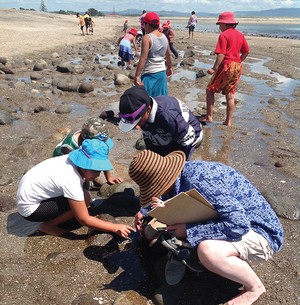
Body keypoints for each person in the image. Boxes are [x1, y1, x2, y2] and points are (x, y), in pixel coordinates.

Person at [129, 149, 284, 305]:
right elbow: (169, 197)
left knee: (208, 252)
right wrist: (145, 212)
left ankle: (254, 288)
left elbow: (239, 225)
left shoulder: (200, 180)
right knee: (151, 230)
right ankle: (202, 256)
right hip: (231, 220)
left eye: (156, 188)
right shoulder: (181, 174)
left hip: (262, 233)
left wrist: (189, 230)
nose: (157, 192)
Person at [16, 138, 135, 238]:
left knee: (84, 195)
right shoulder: (70, 178)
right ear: (84, 165)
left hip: (31, 195)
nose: (98, 175)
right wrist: (115, 227)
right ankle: (48, 225)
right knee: (85, 199)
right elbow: (83, 219)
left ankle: (58, 218)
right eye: (95, 170)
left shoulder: (71, 159)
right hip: (30, 210)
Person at [118, 85, 203, 160]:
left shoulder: (167, 115)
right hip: (166, 134)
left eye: (137, 121)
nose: (136, 125)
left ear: (148, 109)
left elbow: (188, 137)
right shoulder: (144, 118)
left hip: (190, 135)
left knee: (175, 170)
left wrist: (175, 162)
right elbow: (149, 140)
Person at [200, 12, 250, 126]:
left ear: (225, 24)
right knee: (230, 93)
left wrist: (214, 68)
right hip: (237, 66)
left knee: (210, 90)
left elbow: (221, 54)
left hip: (226, 66)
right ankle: (228, 121)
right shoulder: (240, 35)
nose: (219, 27)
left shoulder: (224, 35)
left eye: (220, 24)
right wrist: (238, 61)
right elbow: (246, 51)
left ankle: (209, 117)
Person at [53, 117, 123, 185]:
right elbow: (75, 170)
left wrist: (109, 177)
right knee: (84, 185)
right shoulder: (68, 149)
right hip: (64, 166)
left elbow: (102, 156)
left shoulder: (87, 138)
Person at [134, 12, 172, 97]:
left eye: (144, 24)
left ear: (147, 24)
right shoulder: (164, 37)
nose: (143, 26)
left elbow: (143, 58)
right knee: (161, 100)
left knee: (147, 100)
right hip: (161, 73)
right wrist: (169, 67)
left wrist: (137, 75)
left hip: (149, 74)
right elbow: (169, 55)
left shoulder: (147, 38)